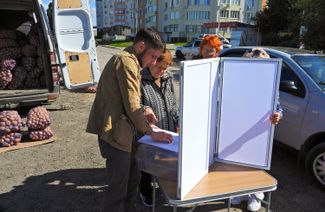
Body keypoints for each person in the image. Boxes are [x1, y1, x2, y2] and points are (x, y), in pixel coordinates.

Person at [86, 28, 173, 212]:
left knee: (132, 183)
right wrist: (151, 132)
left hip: (125, 135)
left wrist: (145, 108)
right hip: (116, 136)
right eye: (153, 56)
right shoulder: (126, 61)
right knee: (118, 192)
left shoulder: (131, 61)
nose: (154, 62)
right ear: (141, 46)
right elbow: (132, 106)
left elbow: (127, 101)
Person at [231, 48, 282, 212]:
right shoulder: (240, 82)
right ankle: (239, 191)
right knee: (238, 161)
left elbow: (279, 108)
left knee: (256, 163)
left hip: (260, 131)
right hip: (240, 128)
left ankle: (255, 194)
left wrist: (278, 115)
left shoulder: (271, 84)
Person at [139, 49, 179, 207]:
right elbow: (134, 103)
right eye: (159, 67)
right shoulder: (140, 77)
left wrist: (178, 121)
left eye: (166, 68)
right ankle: (145, 192)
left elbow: (173, 103)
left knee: (166, 162)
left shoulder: (168, 78)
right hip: (149, 131)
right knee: (147, 164)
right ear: (152, 62)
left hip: (167, 128)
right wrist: (145, 108)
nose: (161, 72)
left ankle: (164, 189)